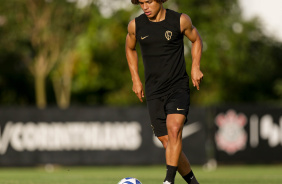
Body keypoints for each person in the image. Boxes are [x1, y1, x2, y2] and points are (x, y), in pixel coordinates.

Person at [125, 0, 203, 183]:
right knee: (168, 142)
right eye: (141, 3)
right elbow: (130, 48)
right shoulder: (136, 25)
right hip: (154, 90)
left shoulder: (180, 20)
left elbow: (196, 39)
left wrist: (195, 67)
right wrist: (135, 79)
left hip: (177, 87)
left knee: (174, 129)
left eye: (149, 2)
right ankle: (194, 182)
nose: (145, 7)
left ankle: (168, 181)